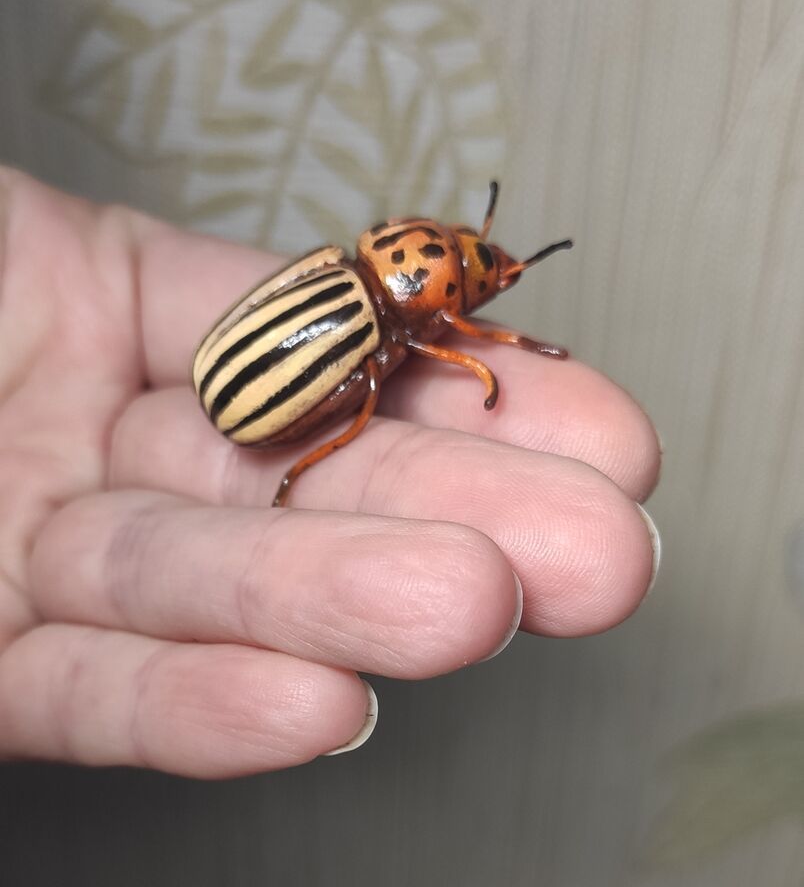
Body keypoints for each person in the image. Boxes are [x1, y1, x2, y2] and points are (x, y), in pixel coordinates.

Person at [0, 167, 661, 778]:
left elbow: (449, 328)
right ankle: (312, 461)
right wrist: (487, 363)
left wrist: (493, 356)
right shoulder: (398, 324)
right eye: (464, 262)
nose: (475, 267)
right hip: (260, 387)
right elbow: (458, 336)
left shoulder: (343, 268)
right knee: (366, 400)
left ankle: (308, 463)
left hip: (235, 357)